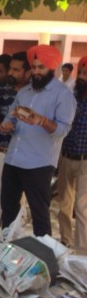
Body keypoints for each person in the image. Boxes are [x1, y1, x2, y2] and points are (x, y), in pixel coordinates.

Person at [0, 45, 76, 236]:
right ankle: (10, 252)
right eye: (34, 67)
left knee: (39, 214)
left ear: (53, 69)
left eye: (41, 68)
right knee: (8, 209)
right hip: (13, 160)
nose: (36, 72)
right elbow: (12, 116)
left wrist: (41, 120)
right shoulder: (24, 92)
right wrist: (7, 124)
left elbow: (63, 130)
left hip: (39, 163)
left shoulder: (63, 95)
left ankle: (45, 260)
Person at [0, 53, 22, 230]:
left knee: (19, 203)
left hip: (24, 154)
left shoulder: (33, 94)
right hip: (0, 150)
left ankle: (15, 242)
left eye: (17, 69)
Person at [57, 55, 87, 250]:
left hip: (86, 162)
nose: (83, 77)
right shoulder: (71, 97)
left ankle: (82, 251)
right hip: (66, 156)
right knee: (63, 206)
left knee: (83, 208)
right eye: (82, 72)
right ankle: (65, 242)